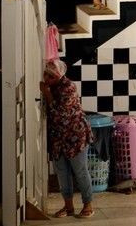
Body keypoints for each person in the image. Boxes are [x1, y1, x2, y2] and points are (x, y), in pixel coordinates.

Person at [39, 59, 95, 218]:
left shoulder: (68, 87)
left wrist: (47, 93)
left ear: (59, 76)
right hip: (58, 137)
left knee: (80, 171)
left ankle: (88, 205)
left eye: (51, 76)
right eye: (46, 74)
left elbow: (60, 114)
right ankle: (68, 207)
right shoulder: (51, 86)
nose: (47, 78)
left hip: (75, 136)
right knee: (62, 173)